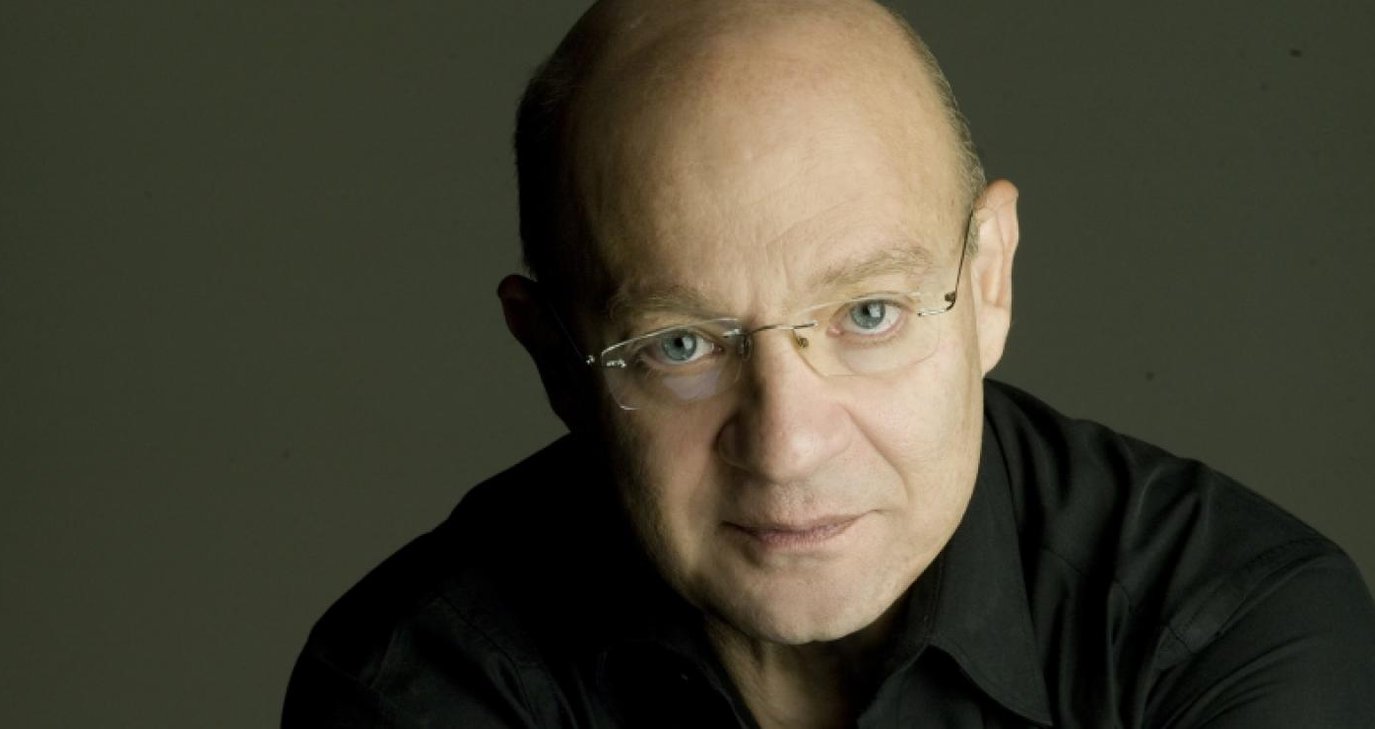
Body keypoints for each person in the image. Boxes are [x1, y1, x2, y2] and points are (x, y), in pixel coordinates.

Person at [282, 0, 1375, 726]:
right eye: (680, 343)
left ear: (988, 282)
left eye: (867, 314)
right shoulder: (417, 678)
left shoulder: (1229, 630)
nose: (789, 444)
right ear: (558, 361)